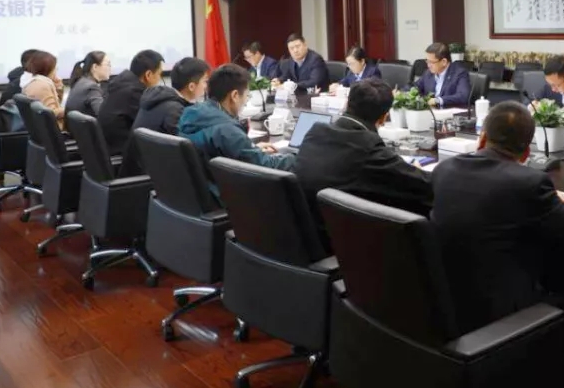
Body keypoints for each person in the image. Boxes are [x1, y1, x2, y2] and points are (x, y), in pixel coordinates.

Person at [430, 101, 564, 333]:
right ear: (526, 154)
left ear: (482, 139)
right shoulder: (529, 183)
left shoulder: (443, 171)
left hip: (448, 305)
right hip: (506, 318)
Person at [292, 79, 432, 252]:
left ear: (346, 104)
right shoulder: (367, 146)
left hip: (305, 241)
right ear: (384, 118)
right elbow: (425, 185)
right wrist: (417, 170)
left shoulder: (316, 132)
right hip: (344, 248)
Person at [179, 63, 295, 173]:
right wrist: (297, 157)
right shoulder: (227, 130)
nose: (246, 101)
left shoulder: (189, 114)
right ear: (234, 95)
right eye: (247, 96)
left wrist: (250, 148)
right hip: (224, 185)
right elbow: (266, 165)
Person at [97, 49, 164, 159]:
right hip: (123, 157)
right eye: (159, 74)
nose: (160, 79)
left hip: (110, 152)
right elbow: (155, 128)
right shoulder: (135, 94)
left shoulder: (121, 85)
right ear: (148, 75)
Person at [132, 57, 210, 137]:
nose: (206, 86)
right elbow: (190, 141)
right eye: (205, 81)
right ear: (191, 87)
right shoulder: (176, 111)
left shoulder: (159, 97)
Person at [413, 42, 471, 108]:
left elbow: (463, 96)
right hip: (431, 111)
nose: (428, 65)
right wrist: (405, 93)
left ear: (444, 62)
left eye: (431, 62)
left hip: (449, 111)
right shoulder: (428, 73)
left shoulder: (460, 73)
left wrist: (437, 100)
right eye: (427, 61)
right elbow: (415, 86)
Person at [21, 51, 66, 129]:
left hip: (43, 130)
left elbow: (53, 106)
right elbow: (52, 113)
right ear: (47, 68)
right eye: (55, 67)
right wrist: (72, 110)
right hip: (56, 130)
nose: (56, 70)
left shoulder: (31, 82)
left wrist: (59, 89)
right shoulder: (42, 85)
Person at [65, 51, 111, 117]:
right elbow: (104, 115)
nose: (110, 68)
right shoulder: (91, 87)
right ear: (95, 67)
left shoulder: (81, 82)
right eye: (108, 65)